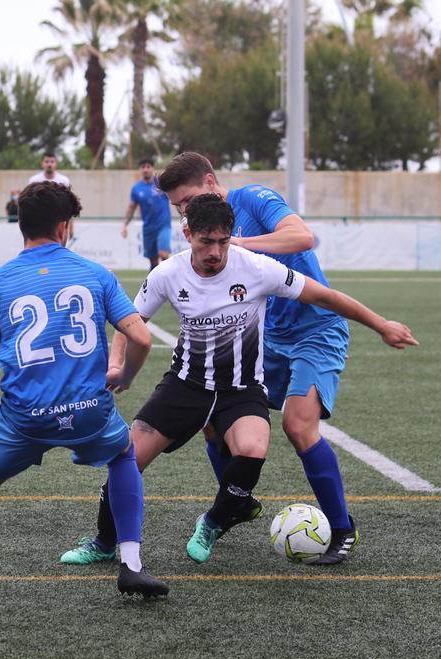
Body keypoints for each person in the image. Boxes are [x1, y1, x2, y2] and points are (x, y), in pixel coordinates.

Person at [60, 193, 416, 565]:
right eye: (206, 241)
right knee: (127, 459)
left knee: (253, 449)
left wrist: (381, 325)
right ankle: (102, 541)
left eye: (223, 241)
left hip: (241, 390)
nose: (215, 251)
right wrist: (117, 364)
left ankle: (213, 522)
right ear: (187, 234)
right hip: (186, 385)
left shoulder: (257, 268)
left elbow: (324, 296)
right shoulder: (167, 273)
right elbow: (130, 322)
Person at [0, 181, 168, 603]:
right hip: (90, 409)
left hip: (24, 417)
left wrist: (3, 420)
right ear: (64, 227)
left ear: (20, 225)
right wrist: (125, 377)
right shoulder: (96, 274)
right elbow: (142, 339)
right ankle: (131, 564)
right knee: (122, 454)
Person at [158, 151, 377, 564]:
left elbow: (301, 237)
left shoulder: (254, 198)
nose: (183, 212)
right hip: (268, 337)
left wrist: (239, 244)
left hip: (316, 329)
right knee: (211, 418)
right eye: (177, 208)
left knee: (298, 425)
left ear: (209, 182)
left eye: (185, 201)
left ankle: (343, 529)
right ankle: (237, 501)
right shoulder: (204, 230)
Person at [121, 158, 172, 269]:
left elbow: (175, 198)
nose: (145, 169)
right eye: (143, 167)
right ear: (140, 170)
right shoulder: (136, 188)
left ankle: (170, 281)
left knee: (164, 255)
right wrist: (125, 225)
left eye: (148, 167)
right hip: (148, 228)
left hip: (163, 224)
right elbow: (131, 208)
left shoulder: (161, 184)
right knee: (153, 262)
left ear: (152, 168)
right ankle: (154, 284)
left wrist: (184, 215)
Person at [27, 152, 73, 240]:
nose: (49, 164)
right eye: (47, 161)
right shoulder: (34, 180)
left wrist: (70, 227)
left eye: (52, 162)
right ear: (42, 164)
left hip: (59, 220)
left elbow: (69, 205)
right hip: (39, 221)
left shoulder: (64, 180)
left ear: (56, 164)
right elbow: (29, 204)